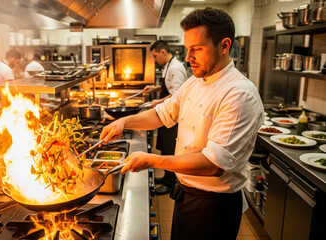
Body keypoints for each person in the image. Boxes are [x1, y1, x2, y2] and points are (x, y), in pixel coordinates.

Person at [100, 7, 264, 239]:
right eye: (188, 49)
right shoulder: (195, 83)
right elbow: (160, 114)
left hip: (213, 206)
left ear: (224, 45)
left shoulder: (239, 94)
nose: (188, 58)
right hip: (186, 195)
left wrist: (152, 160)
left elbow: (213, 164)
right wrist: (124, 122)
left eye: (197, 49)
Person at [143, 40, 188, 195]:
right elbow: (167, 87)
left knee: (170, 148)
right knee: (165, 147)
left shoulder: (176, 68)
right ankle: (166, 176)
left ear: (162, 52)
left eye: (155, 56)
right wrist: (155, 88)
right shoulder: (168, 66)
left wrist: (157, 101)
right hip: (167, 112)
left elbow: (177, 94)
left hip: (174, 116)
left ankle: (170, 183)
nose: (155, 60)